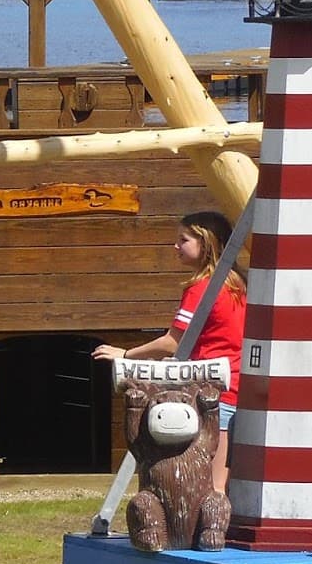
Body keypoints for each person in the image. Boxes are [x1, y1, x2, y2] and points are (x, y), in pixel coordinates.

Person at [92, 210, 246, 492]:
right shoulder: (239, 285)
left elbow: (173, 342)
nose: (176, 246)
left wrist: (125, 354)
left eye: (183, 240)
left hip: (214, 393)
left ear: (205, 243)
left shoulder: (201, 289)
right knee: (226, 484)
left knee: (211, 487)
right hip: (239, 389)